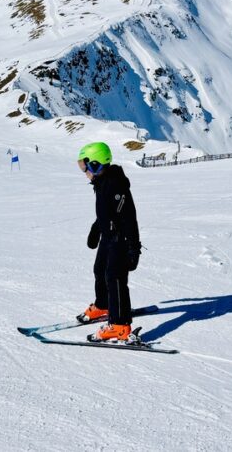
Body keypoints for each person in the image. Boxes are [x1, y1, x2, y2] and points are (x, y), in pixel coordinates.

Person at [75, 142, 142, 343]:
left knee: (115, 278)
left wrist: (134, 247)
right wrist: (96, 229)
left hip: (120, 238)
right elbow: (106, 213)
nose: (83, 170)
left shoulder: (115, 185)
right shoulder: (101, 183)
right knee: (99, 270)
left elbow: (129, 216)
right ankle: (103, 305)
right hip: (108, 236)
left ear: (95, 164)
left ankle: (120, 325)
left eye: (85, 165)